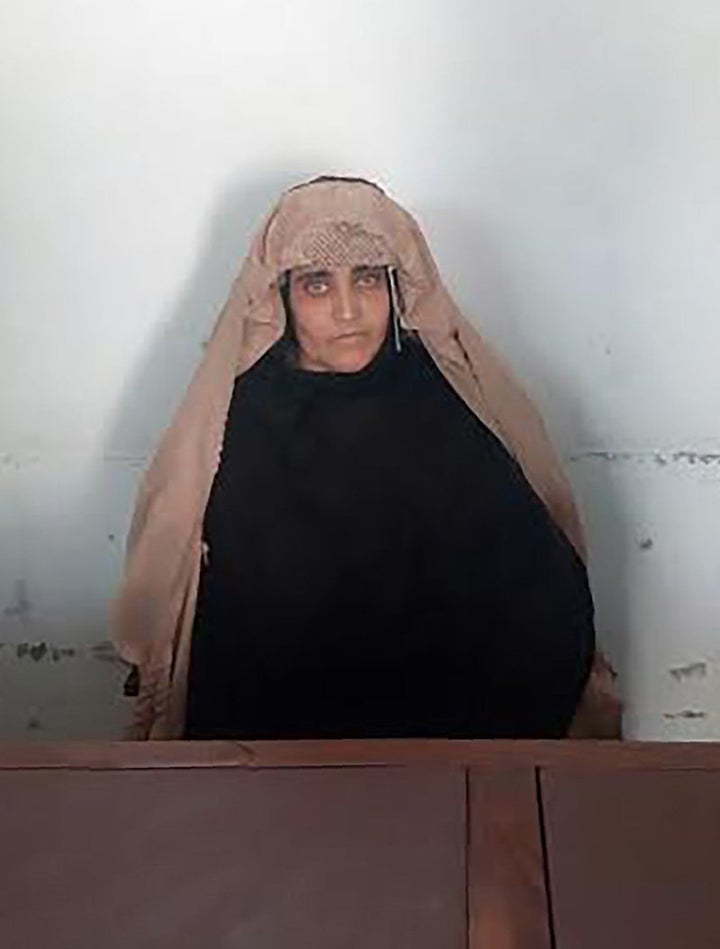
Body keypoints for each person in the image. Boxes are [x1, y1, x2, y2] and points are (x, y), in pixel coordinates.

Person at [111, 175, 621, 740]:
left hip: (446, 750)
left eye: (368, 279)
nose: (349, 311)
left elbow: (540, 599)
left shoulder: (450, 412)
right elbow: (203, 616)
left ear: (399, 288)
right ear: (280, 296)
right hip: (273, 756)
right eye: (317, 285)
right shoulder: (235, 428)